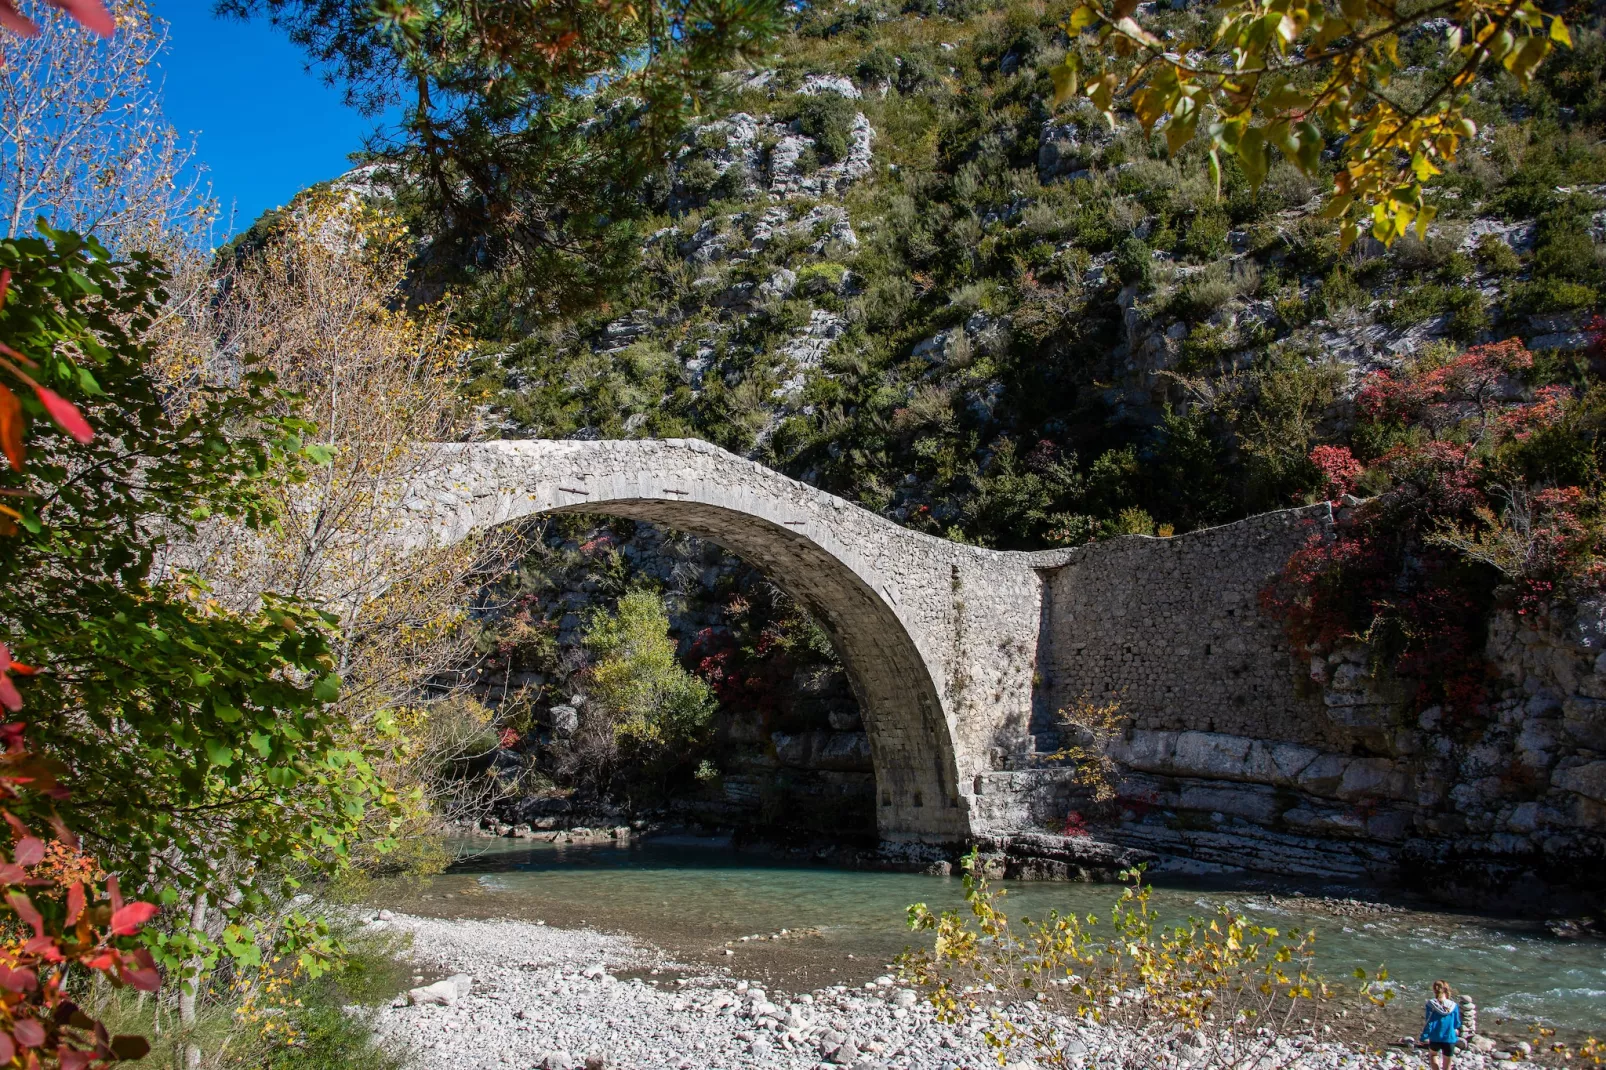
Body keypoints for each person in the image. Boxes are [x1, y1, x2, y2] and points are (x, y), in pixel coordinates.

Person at [1420, 979, 1462, 1069]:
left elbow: (1428, 1022)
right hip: (1449, 1038)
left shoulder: (1430, 1004)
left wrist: (1423, 1036)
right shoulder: (1454, 1006)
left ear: (1434, 990)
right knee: (1447, 1064)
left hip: (1435, 1037)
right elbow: (1457, 1023)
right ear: (1446, 990)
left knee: (1433, 1055)